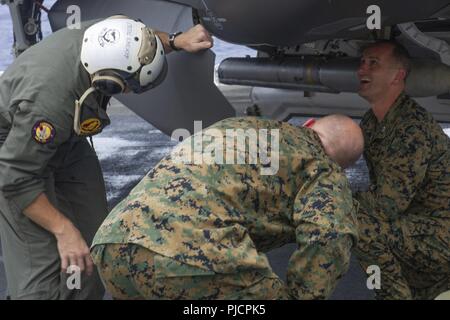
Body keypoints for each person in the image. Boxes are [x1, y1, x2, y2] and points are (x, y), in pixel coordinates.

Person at [0, 15, 213, 299]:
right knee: (42, 267)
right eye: (127, 87)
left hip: (68, 138)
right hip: (16, 154)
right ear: (108, 82)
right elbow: (16, 178)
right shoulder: (47, 104)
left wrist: (176, 41)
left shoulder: (111, 33)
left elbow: (143, 38)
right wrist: (63, 231)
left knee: (95, 247)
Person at [91, 115, 364, 300]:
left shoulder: (241, 124)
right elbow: (329, 235)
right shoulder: (324, 170)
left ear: (309, 123)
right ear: (343, 166)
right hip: (189, 254)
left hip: (112, 246)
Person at [354, 40, 450, 299]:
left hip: (440, 233)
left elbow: (386, 205)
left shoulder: (411, 128)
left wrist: (336, 199)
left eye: (373, 63)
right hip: (419, 226)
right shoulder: (373, 121)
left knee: (360, 225)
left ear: (398, 76)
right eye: (362, 62)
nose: (363, 70)